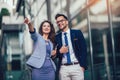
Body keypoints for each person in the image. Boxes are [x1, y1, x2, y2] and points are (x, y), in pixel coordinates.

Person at [54, 13, 87, 80]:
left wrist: (82, 66)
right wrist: (60, 51)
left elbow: (84, 49)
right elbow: (53, 54)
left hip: (77, 66)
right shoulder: (56, 37)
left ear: (66, 21)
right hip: (63, 69)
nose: (59, 23)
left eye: (61, 21)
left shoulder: (77, 33)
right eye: (58, 22)